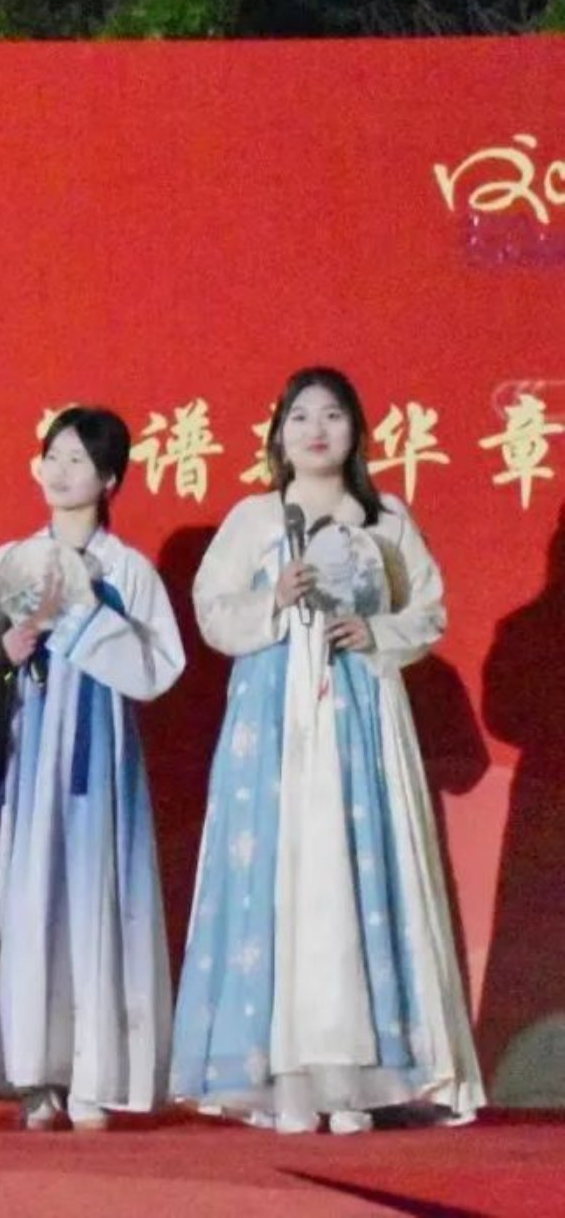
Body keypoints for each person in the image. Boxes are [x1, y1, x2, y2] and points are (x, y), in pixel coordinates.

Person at [170, 367, 485, 1133]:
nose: (317, 429)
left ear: (357, 432)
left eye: (333, 415)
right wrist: (272, 600)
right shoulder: (254, 519)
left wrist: (375, 631)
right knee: (280, 876)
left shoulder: (385, 518)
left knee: (355, 873)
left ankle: (360, 1080)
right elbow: (212, 610)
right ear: (279, 435)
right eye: (301, 416)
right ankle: (285, 1079)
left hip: (360, 718)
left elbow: (429, 609)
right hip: (272, 723)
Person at [0, 408, 185, 1131]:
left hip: (97, 766)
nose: (61, 470)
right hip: (25, 759)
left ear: (110, 479)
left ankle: (95, 1075)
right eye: (53, 455)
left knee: (95, 905)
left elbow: (160, 666)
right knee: (28, 905)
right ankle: (34, 1075)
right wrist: (3, 658)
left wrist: (84, 619)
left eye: (79, 459)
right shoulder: (8, 564)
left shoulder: (127, 571)